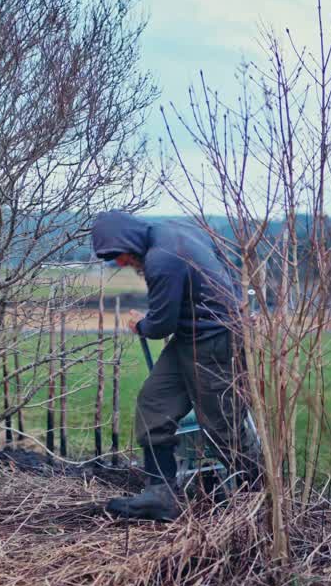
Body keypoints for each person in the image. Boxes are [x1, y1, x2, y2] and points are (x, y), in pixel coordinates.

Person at [91, 210, 255, 521]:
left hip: (214, 341)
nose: (121, 263)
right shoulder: (178, 228)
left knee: (223, 427)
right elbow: (226, 264)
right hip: (190, 337)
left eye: (120, 256)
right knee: (154, 404)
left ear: (129, 240)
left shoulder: (162, 259)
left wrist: (141, 325)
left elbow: (161, 323)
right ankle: (160, 495)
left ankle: (260, 499)